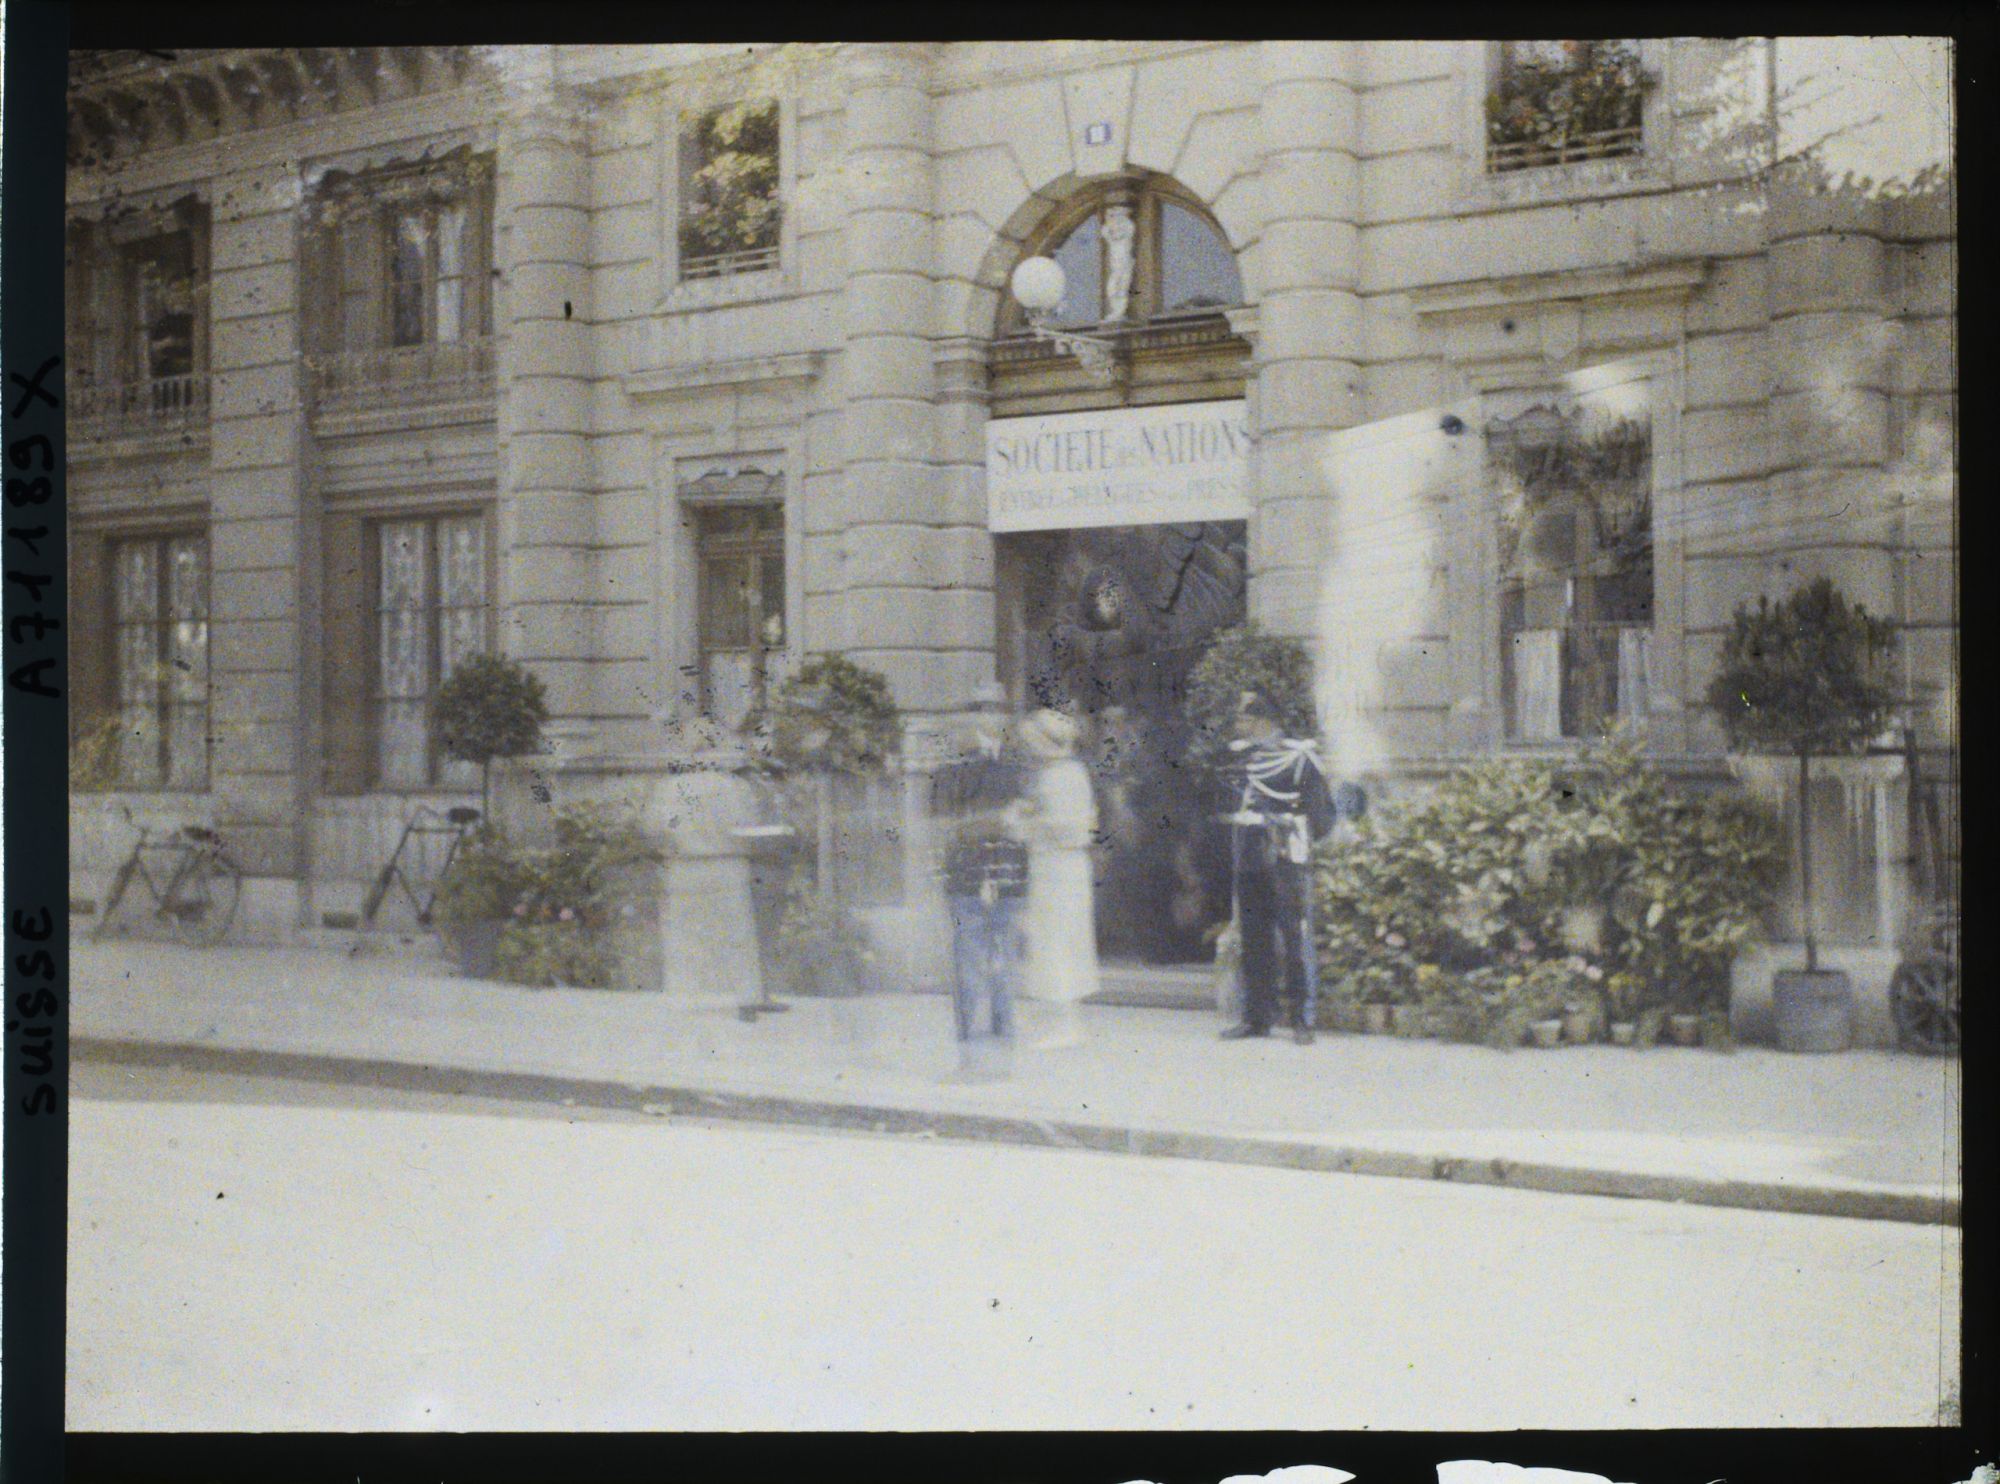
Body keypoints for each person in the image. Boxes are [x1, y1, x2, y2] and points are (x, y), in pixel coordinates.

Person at [1219, 691, 1336, 1045]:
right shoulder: (1242, 759)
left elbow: (1322, 815)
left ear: (1261, 721)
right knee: (1254, 938)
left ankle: (1303, 1019)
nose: (1239, 725)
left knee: (1295, 938)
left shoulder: (1299, 758)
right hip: (1250, 857)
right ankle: (1257, 1017)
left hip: (1287, 858)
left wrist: (1296, 834)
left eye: (1244, 719)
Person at [931, 680, 1033, 1076]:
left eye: (996, 709)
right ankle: (971, 1053)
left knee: (1005, 962)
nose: (989, 717)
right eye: (981, 709)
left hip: (1008, 873)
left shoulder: (1018, 764)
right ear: (969, 715)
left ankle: (1004, 1049)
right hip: (968, 874)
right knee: (970, 965)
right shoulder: (952, 767)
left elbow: (1030, 817)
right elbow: (945, 823)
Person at [1017, 707, 1100, 1049]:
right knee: (1052, 939)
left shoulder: (1064, 776)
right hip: (1052, 866)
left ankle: (1066, 1023)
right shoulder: (1060, 773)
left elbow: (1071, 828)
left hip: (1061, 868)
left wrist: (1027, 823)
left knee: (1059, 940)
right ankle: (1056, 1017)